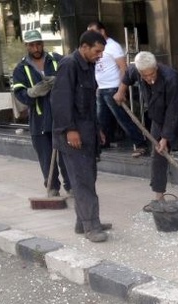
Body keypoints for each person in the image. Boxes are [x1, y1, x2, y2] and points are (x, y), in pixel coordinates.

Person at [113, 51, 178, 211]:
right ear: (141, 73)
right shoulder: (136, 70)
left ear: (156, 67)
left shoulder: (171, 77)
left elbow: (173, 110)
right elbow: (128, 74)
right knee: (158, 158)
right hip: (159, 120)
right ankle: (159, 198)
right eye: (146, 76)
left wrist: (165, 138)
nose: (150, 78)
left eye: (152, 73)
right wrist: (121, 90)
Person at [50, 30, 111, 243]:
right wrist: (70, 130)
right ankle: (91, 226)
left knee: (87, 178)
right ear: (84, 47)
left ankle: (83, 221)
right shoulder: (69, 65)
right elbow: (60, 101)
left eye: (102, 52)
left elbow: (88, 104)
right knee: (83, 181)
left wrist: (98, 129)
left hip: (87, 132)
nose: (100, 55)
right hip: (73, 135)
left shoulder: (88, 66)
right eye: (97, 51)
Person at [12, 29, 71, 198]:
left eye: (38, 44)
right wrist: (33, 92)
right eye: (32, 45)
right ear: (27, 46)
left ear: (42, 44)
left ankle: (71, 185)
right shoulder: (21, 68)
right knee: (45, 157)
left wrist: (58, 81)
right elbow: (19, 93)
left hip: (60, 116)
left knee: (66, 155)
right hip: (39, 119)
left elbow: (70, 76)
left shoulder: (56, 60)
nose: (36, 48)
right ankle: (52, 186)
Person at [86, 21, 148, 158]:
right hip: (102, 88)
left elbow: (123, 68)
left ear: (102, 31)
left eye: (93, 32)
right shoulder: (96, 47)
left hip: (113, 88)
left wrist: (121, 89)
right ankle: (103, 142)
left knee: (123, 118)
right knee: (101, 119)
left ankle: (140, 143)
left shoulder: (113, 46)